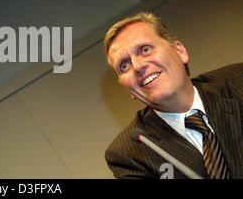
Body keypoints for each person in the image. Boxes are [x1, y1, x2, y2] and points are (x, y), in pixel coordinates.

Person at [103, 12, 243, 179]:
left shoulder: (238, 80)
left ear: (180, 51)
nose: (137, 66)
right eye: (124, 65)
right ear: (127, 88)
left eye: (145, 50)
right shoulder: (129, 153)